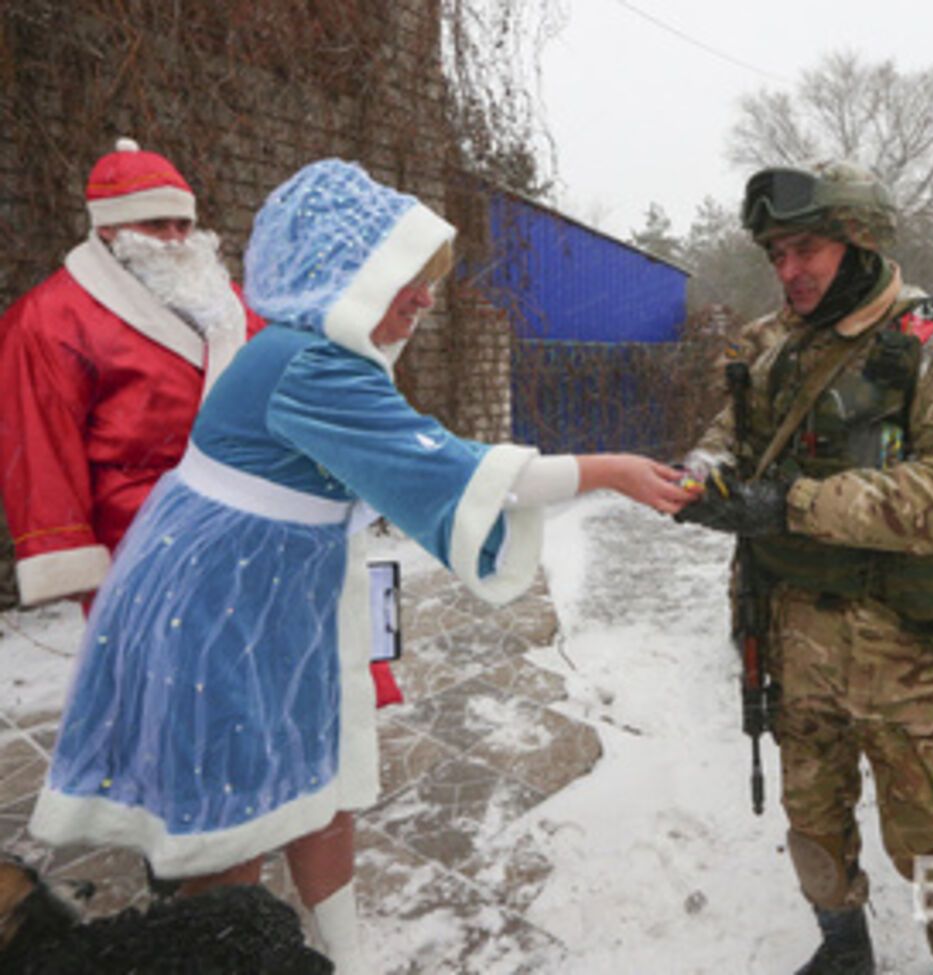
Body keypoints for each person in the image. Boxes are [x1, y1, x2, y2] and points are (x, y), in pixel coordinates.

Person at [26, 159, 693, 974]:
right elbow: (450, 467)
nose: (425, 299)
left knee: (324, 776)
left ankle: (342, 955)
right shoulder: (307, 365)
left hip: (275, 598)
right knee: (234, 816)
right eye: (408, 277)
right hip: (218, 613)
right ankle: (224, 953)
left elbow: (416, 458)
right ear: (347, 271)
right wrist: (611, 469)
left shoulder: (313, 354)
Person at [678, 162, 933, 975]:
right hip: (794, 642)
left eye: (806, 250)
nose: (788, 271)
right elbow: (731, 433)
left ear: (859, 242)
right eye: (776, 255)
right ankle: (843, 945)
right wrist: (704, 473)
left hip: (905, 655)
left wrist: (792, 503)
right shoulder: (772, 343)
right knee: (812, 817)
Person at [0, 137, 261, 608]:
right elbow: (39, 440)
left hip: (247, 524)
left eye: (183, 224)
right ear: (109, 229)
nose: (174, 239)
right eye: (155, 224)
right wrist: (63, 548)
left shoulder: (227, 304)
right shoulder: (50, 317)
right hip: (135, 535)